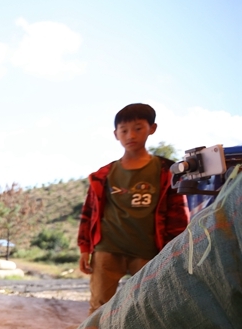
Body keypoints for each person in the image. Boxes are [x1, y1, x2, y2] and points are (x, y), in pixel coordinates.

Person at [78, 103, 189, 313]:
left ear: (152, 128)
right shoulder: (103, 175)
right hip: (108, 249)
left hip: (149, 251)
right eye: (124, 130)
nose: (131, 135)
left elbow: (179, 217)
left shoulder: (167, 171)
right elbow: (89, 213)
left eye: (138, 128)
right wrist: (85, 249)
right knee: (99, 307)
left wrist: (176, 251)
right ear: (115, 134)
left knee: (149, 307)